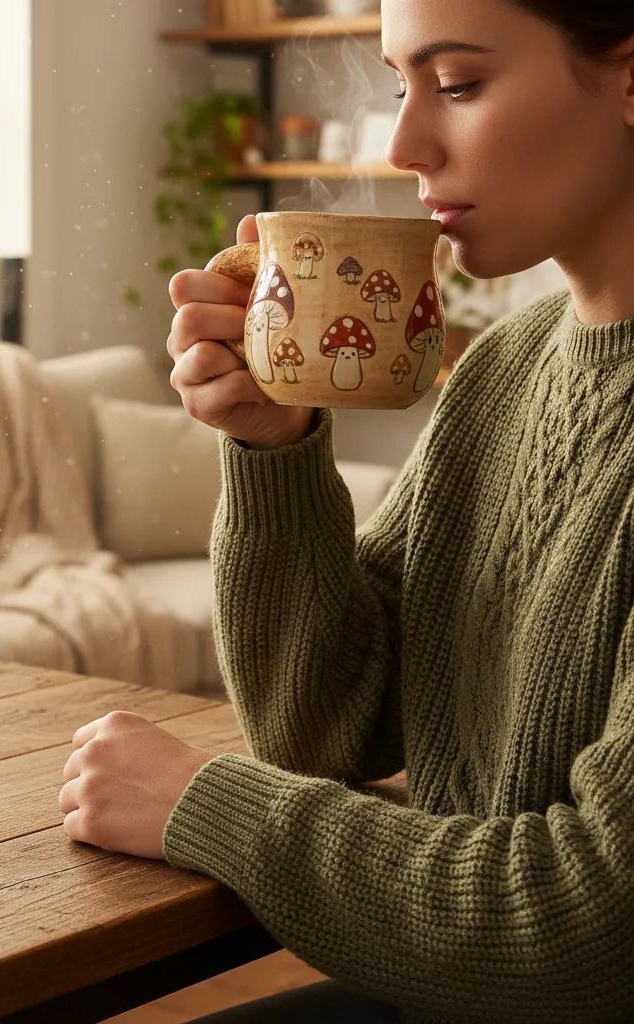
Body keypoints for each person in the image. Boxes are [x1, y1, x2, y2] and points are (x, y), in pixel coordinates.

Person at [58, 0, 634, 1019]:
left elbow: (587, 920)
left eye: (455, 84)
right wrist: (271, 445)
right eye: (398, 85)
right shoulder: (503, 367)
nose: (405, 144)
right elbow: (326, 726)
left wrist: (198, 799)